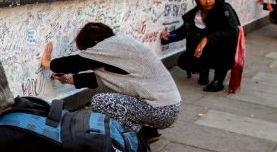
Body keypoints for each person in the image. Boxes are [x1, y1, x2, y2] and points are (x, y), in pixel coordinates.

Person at [40, 22, 181, 142]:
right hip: (169, 108)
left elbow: (76, 62)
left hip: (160, 110)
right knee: (115, 98)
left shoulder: (109, 47)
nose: (88, 52)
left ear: (93, 43)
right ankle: (148, 133)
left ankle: (135, 138)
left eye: (86, 48)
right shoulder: (121, 45)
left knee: (101, 101)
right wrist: (65, 79)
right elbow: (97, 80)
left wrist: (48, 63)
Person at [160, 0, 240, 92]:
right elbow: (184, 30)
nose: (208, 1)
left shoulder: (224, 9)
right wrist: (169, 36)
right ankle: (203, 71)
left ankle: (218, 80)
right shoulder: (194, 14)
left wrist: (207, 38)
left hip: (222, 50)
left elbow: (233, 31)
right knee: (183, 61)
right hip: (203, 51)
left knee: (224, 45)